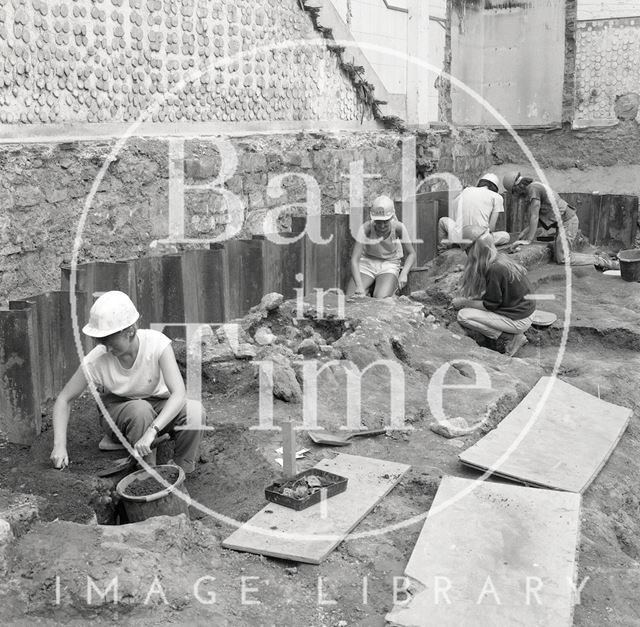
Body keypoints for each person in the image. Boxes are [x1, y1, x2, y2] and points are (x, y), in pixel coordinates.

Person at [50, 291, 204, 474]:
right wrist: (59, 446)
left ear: (130, 331)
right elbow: (64, 399)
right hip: (119, 411)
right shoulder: (96, 360)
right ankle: (149, 473)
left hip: (156, 405)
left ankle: (181, 471)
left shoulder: (157, 344)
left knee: (195, 412)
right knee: (140, 410)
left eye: (110, 341)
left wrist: (152, 431)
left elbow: (179, 393)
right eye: (101, 341)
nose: (106, 348)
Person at [503, 171, 619, 269]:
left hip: (568, 222)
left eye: (514, 192)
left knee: (563, 258)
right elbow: (539, 217)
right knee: (560, 254)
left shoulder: (533, 189)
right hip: (565, 222)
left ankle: (602, 261)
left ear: (517, 187)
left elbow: (534, 216)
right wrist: (524, 232)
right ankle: (600, 255)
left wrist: (528, 240)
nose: (516, 196)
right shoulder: (535, 186)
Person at [451, 225, 534, 357]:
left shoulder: (495, 269)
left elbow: (490, 305)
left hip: (519, 319)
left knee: (463, 315)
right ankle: (512, 334)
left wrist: (463, 302)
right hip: (524, 312)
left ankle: (511, 339)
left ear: (474, 250)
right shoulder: (499, 259)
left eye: (467, 251)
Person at [346, 195, 416, 299]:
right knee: (351, 297)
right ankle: (366, 290)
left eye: (385, 222)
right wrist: (359, 286)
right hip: (367, 262)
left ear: (391, 217)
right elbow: (354, 259)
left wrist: (404, 273)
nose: (382, 226)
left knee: (381, 298)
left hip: (389, 263)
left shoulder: (398, 227)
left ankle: (386, 292)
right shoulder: (366, 228)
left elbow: (412, 254)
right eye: (378, 222)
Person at [438, 173, 510, 247]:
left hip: (460, 238)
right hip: (480, 240)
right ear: (495, 188)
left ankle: (443, 249)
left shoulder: (465, 191)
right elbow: (491, 228)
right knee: (505, 236)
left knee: (442, 221)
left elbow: (454, 210)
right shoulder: (497, 197)